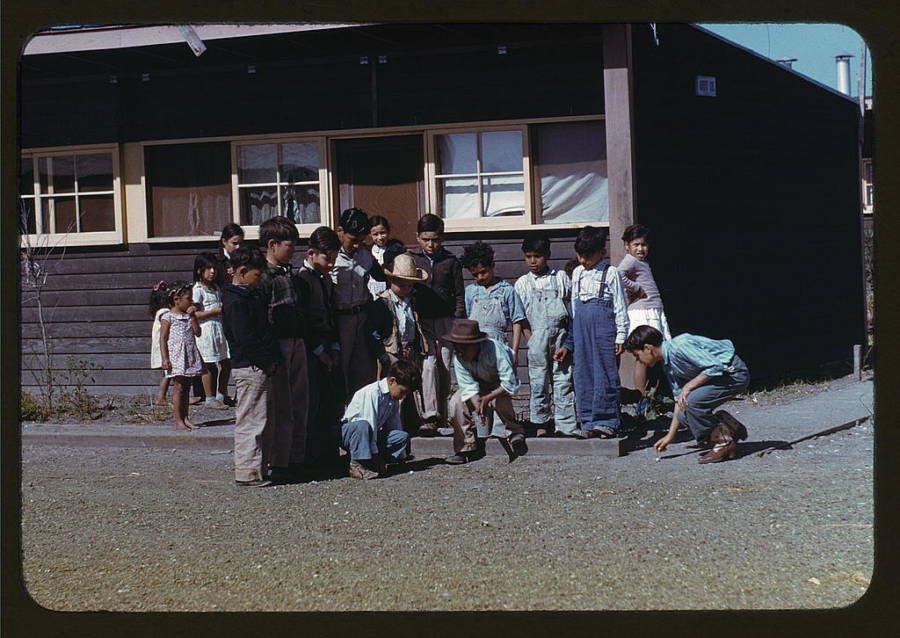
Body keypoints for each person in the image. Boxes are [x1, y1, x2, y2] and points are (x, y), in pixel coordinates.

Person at [623, 325, 750, 464]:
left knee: (692, 402)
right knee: (683, 415)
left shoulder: (680, 346)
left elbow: (715, 367)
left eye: (637, 355)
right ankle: (730, 426)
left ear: (648, 348)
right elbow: (679, 399)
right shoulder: (668, 365)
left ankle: (724, 443)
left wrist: (689, 386)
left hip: (734, 374)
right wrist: (670, 437)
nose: (639, 360)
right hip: (720, 378)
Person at [559, 226, 629, 439]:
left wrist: (621, 335)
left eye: (587, 256)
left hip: (603, 329)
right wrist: (571, 339)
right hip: (581, 329)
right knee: (583, 373)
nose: (582, 260)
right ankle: (588, 420)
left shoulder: (611, 273)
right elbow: (573, 308)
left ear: (602, 252)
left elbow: (620, 306)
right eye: (579, 255)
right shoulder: (578, 273)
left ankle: (607, 421)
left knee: (605, 372)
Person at [221, 247, 281, 487]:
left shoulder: (243, 297)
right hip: (251, 366)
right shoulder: (236, 301)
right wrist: (267, 362)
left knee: (260, 419)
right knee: (251, 421)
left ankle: (257, 469)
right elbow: (246, 338)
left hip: (257, 366)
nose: (258, 281)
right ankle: (247, 472)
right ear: (243, 271)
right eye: (256, 276)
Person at [257, 216, 309, 484]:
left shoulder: (291, 273)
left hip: (297, 340)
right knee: (281, 407)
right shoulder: (263, 276)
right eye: (290, 245)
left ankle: (295, 457)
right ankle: (278, 461)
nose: (294, 251)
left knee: (300, 401)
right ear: (273, 244)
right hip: (278, 343)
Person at [460, 241, 526, 438]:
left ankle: (503, 430)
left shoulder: (507, 290)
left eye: (483, 272)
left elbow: (516, 321)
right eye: (475, 275)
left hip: (499, 347)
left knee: (500, 390)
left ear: (492, 266)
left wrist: (514, 350)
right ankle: (482, 429)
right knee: (478, 388)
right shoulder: (471, 292)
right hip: (476, 349)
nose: (480, 277)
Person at [408, 214, 466, 436]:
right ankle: (430, 414)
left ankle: (442, 415)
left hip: (446, 321)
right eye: (425, 239)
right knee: (428, 364)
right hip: (422, 321)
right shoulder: (413, 259)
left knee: (443, 365)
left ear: (442, 238)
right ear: (418, 238)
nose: (430, 245)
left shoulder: (450, 262)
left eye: (435, 239)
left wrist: (457, 322)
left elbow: (459, 295)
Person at [514, 236, 577, 437]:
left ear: (547, 256)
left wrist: (567, 342)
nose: (533, 261)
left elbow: (570, 310)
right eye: (528, 257)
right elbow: (521, 317)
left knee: (562, 380)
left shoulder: (560, 278)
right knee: (539, 382)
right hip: (536, 337)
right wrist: (531, 340)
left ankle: (565, 425)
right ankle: (541, 422)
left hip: (560, 336)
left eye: (537, 256)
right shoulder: (522, 284)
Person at [442, 318, 527, 464]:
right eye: (457, 347)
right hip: (479, 384)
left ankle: (514, 433)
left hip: (499, 383)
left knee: (501, 400)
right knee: (456, 402)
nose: (460, 352)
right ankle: (466, 447)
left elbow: (509, 382)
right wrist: (479, 406)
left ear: (475, 344)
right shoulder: (459, 357)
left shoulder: (496, 349)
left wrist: (487, 399)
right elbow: (468, 386)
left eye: (464, 347)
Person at [296, 226, 344, 476]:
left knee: (330, 403)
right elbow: (305, 320)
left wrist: (334, 347)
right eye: (327, 259)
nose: (330, 264)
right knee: (312, 405)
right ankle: (310, 459)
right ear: (312, 253)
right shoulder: (302, 280)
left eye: (334, 260)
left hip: (329, 346)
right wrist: (319, 351)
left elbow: (331, 313)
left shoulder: (325, 278)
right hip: (312, 351)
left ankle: (327, 455)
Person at [368, 252, 430, 436]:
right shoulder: (382, 302)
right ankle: (393, 426)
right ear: (391, 280)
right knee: (396, 388)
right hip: (392, 349)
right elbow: (375, 329)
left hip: (409, 346)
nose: (405, 289)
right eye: (400, 284)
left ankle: (411, 422)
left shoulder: (413, 301)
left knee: (409, 386)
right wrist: (380, 351)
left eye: (409, 285)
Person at [332, 207, 386, 397]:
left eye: (361, 241)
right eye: (353, 240)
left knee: (365, 367)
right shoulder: (330, 255)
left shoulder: (365, 254)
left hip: (363, 317)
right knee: (341, 367)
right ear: (339, 231)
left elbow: (383, 277)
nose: (357, 245)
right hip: (340, 319)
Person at [340, 359, 421, 480]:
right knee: (363, 425)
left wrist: (401, 456)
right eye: (402, 392)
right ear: (392, 381)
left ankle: (371, 461)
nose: (403, 396)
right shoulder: (372, 393)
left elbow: (394, 424)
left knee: (401, 436)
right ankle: (356, 464)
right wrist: (377, 456)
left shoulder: (393, 399)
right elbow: (370, 423)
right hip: (352, 434)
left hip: (371, 436)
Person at [618, 224, 672, 403]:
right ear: (627, 245)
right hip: (643, 312)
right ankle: (641, 398)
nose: (640, 249)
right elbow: (619, 274)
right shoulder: (630, 261)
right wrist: (636, 288)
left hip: (653, 309)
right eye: (636, 245)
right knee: (643, 357)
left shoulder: (642, 262)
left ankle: (655, 395)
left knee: (658, 354)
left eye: (644, 245)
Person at [158, 281, 204, 430]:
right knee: (178, 387)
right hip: (176, 356)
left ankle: (186, 417)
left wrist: (193, 317)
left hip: (189, 354)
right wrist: (165, 358)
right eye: (188, 299)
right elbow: (163, 338)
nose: (191, 302)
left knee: (187, 387)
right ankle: (178, 420)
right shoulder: (168, 317)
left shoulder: (188, 316)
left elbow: (198, 333)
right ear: (177, 300)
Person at [192, 253, 231, 409]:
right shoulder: (197, 289)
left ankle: (221, 394)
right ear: (199, 270)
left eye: (214, 268)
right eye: (208, 268)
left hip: (219, 329)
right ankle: (209, 398)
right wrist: (213, 312)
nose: (212, 272)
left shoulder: (216, 288)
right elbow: (194, 313)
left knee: (226, 362)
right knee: (209, 364)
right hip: (206, 329)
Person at [367, 215, 407, 299]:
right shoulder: (367, 251)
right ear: (370, 234)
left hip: (390, 291)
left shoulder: (397, 249)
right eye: (375, 234)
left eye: (382, 233)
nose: (380, 237)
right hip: (370, 291)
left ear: (388, 231)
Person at [148, 280, 172, 406]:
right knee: (168, 373)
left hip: (162, 345)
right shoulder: (165, 313)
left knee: (168, 373)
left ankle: (162, 397)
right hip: (165, 347)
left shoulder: (159, 312)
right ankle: (161, 397)